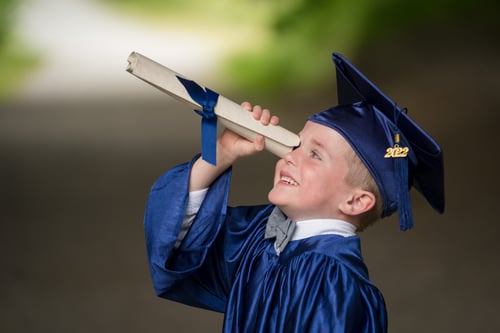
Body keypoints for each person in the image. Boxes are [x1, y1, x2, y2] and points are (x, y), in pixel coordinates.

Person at [143, 53, 445, 332]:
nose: (289, 156)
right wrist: (221, 152)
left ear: (355, 201)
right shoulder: (259, 237)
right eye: (296, 144)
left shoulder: (335, 283)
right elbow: (178, 249)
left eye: (315, 155)